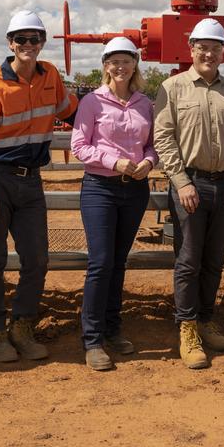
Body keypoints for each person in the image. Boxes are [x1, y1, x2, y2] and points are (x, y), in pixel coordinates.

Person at [0, 10, 78, 363]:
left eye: (35, 39)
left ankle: (22, 326)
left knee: (37, 258)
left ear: (43, 42)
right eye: (21, 39)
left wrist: (118, 110)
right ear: (10, 43)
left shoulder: (51, 76)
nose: (28, 45)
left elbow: (73, 113)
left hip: (31, 183)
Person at [153, 18, 224, 369]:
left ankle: (207, 319)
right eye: (202, 47)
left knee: (214, 260)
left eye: (215, 47)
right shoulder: (172, 88)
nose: (208, 53)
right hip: (190, 186)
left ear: (223, 52)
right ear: (191, 49)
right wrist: (181, 182)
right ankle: (188, 327)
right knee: (188, 260)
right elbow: (163, 138)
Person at [70, 37, 158, 371]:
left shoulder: (144, 104)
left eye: (126, 61)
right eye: (113, 61)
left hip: (135, 189)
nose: (120, 67)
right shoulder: (92, 102)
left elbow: (152, 145)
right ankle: (92, 339)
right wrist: (114, 162)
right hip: (100, 189)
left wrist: (148, 163)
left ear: (135, 64)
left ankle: (113, 328)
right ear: (105, 65)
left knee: (119, 261)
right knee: (101, 262)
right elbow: (80, 146)